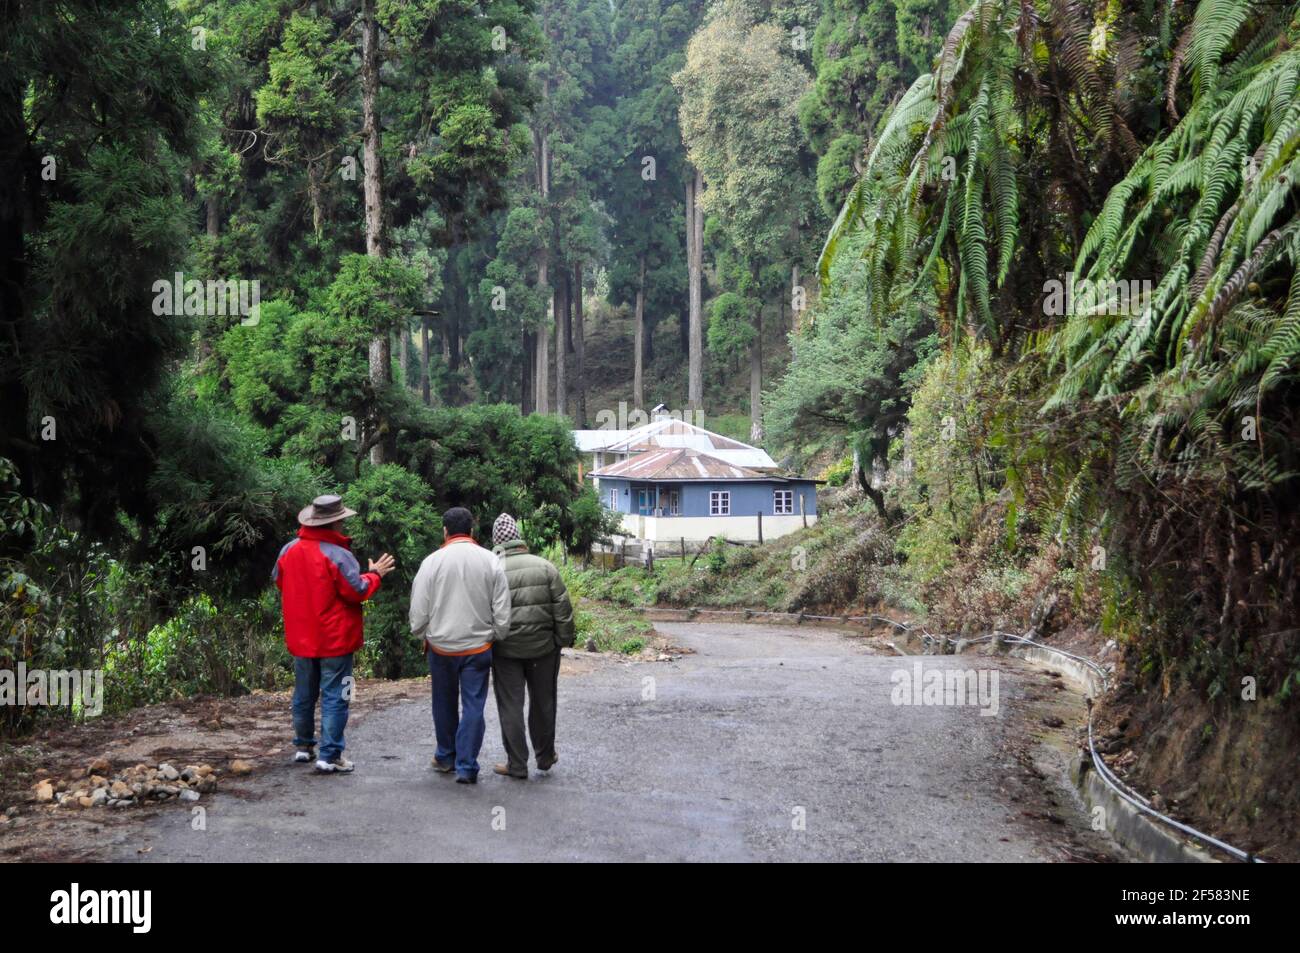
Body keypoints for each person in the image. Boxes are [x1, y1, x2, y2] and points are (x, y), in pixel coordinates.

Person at [273, 494, 395, 774]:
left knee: (304, 693)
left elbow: (280, 581)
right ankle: (330, 755)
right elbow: (357, 592)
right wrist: (375, 574)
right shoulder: (339, 555)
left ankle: (304, 747)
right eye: (341, 520)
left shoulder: (288, 550)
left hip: (301, 637)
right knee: (336, 696)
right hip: (335, 640)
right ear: (334, 523)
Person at [409, 507, 511, 784]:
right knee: (473, 705)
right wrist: (496, 634)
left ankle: (446, 756)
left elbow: (419, 608)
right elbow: (502, 608)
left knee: (443, 702)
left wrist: (422, 633)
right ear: (472, 530)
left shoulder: (431, 562)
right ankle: (466, 766)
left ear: (445, 530)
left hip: (441, 647)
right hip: (478, 648)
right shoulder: (491, 560)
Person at [489, 513, 575, 779]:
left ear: (497, 541)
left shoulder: (493, 569)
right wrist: (562, 640)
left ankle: (516, 764)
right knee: (543, 702)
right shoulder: (545, 567)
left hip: (505, 651)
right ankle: (545, 756)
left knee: (511, 705)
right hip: (543, 650)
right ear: (519, 537)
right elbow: (563, 609)